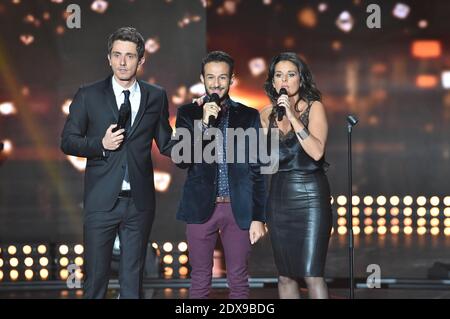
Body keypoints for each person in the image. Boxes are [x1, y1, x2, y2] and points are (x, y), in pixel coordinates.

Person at [60, 27, 173, 298]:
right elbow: (68, 141)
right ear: (109, 58)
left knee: (133, 280)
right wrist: (100, 144)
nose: (123, 62)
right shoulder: (89, 94)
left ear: (141, 60)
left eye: (130, 56)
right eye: (117, 55)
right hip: (101, 201)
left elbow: (167, 143)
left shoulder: (155, 96)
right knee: (95, 280)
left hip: (139, 202)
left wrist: (200, 138)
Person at [172, 51, 267, 299]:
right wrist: (203, 124)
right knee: (200, 277)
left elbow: (258, 168)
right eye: (211, 77)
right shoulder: (187, 113)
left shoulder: (248, 116)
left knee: (238, 278)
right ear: (202, 78)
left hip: (238, 207)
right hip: (200, 205)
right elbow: (182, 160)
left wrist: (259, 216)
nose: (216, 83)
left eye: (222, 77)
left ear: (231, 79)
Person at [260, 52, 332, 299]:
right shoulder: (265, 115)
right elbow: (263, 162)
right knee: (285, 275)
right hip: (279, 197)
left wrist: (292, 116)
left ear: (301, 79)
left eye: (291, 74)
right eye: (279, 75)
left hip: (311, 195)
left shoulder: (314, 107)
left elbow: (316, 151)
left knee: (312, 273)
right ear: (272, 81)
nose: (284, 80)